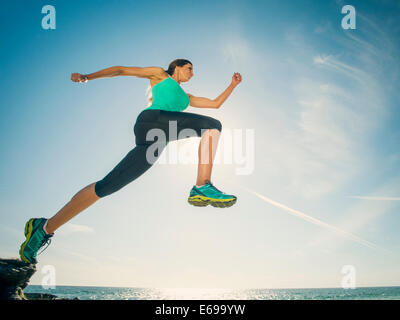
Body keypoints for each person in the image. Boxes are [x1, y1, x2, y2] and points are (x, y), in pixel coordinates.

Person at [19, 59, 242, 264]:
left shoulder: (187, 98)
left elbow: (214, 104)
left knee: (106, 186)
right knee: (212, 125)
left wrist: (233, 85)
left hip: (155, 143)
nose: (193, 73)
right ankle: (202, 185)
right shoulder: (160, 75)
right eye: (190, 68)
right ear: (177, 67)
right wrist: (87, 76)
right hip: (151, 121)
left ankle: (43, 228)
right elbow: (121, 70)